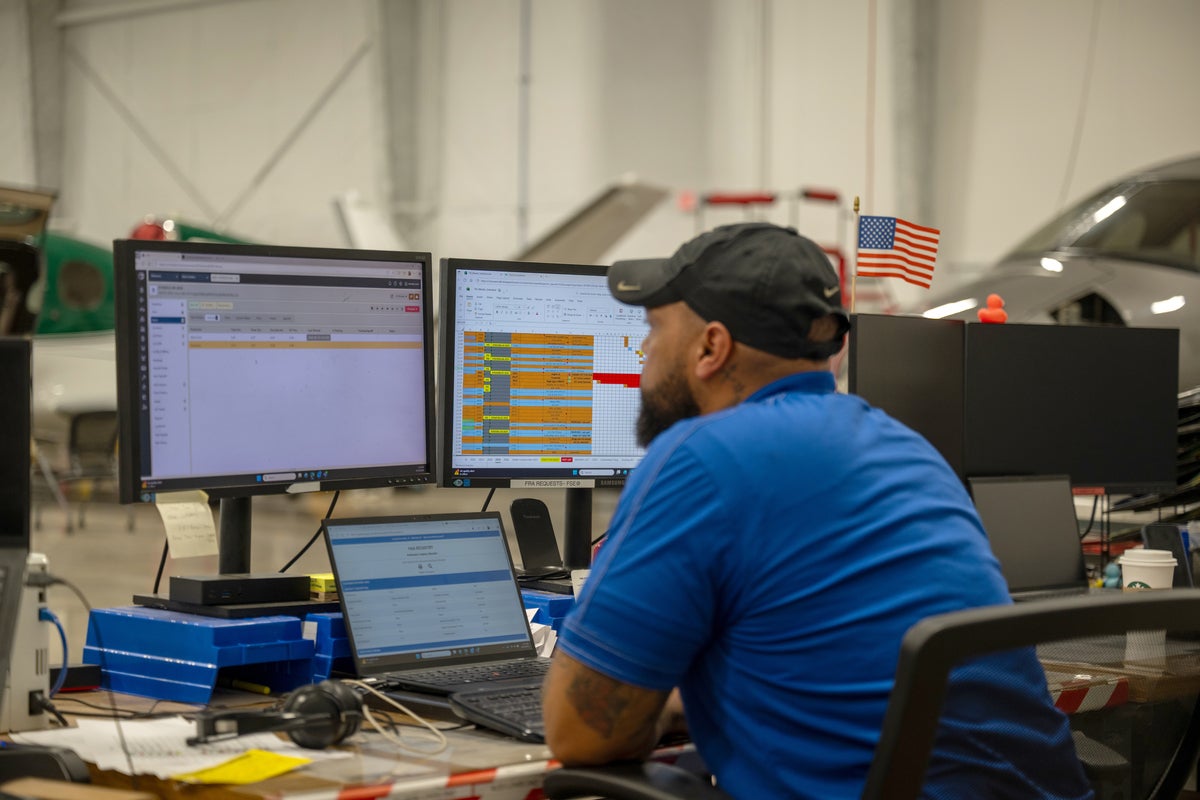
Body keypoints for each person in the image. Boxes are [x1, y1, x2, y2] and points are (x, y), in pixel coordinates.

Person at [541, 222, 1093, 799]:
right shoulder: (906, 447)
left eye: (654, 330)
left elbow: (580, 734)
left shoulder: (700, 457)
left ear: (711, 347)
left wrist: (642, 709)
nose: (645, 353)